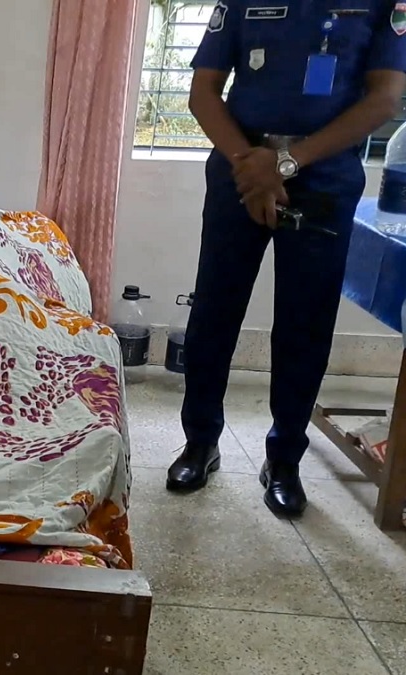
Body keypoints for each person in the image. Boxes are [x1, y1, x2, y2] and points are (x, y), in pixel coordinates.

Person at [166, 0, 406, 517]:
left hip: (324, 178)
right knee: (213, 312)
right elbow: (204, 92)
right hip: (239, 169)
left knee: (305, 324)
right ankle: (200, 443)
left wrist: (287, 163)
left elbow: (384, 98)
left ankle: (284, 460)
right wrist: (252, 166)